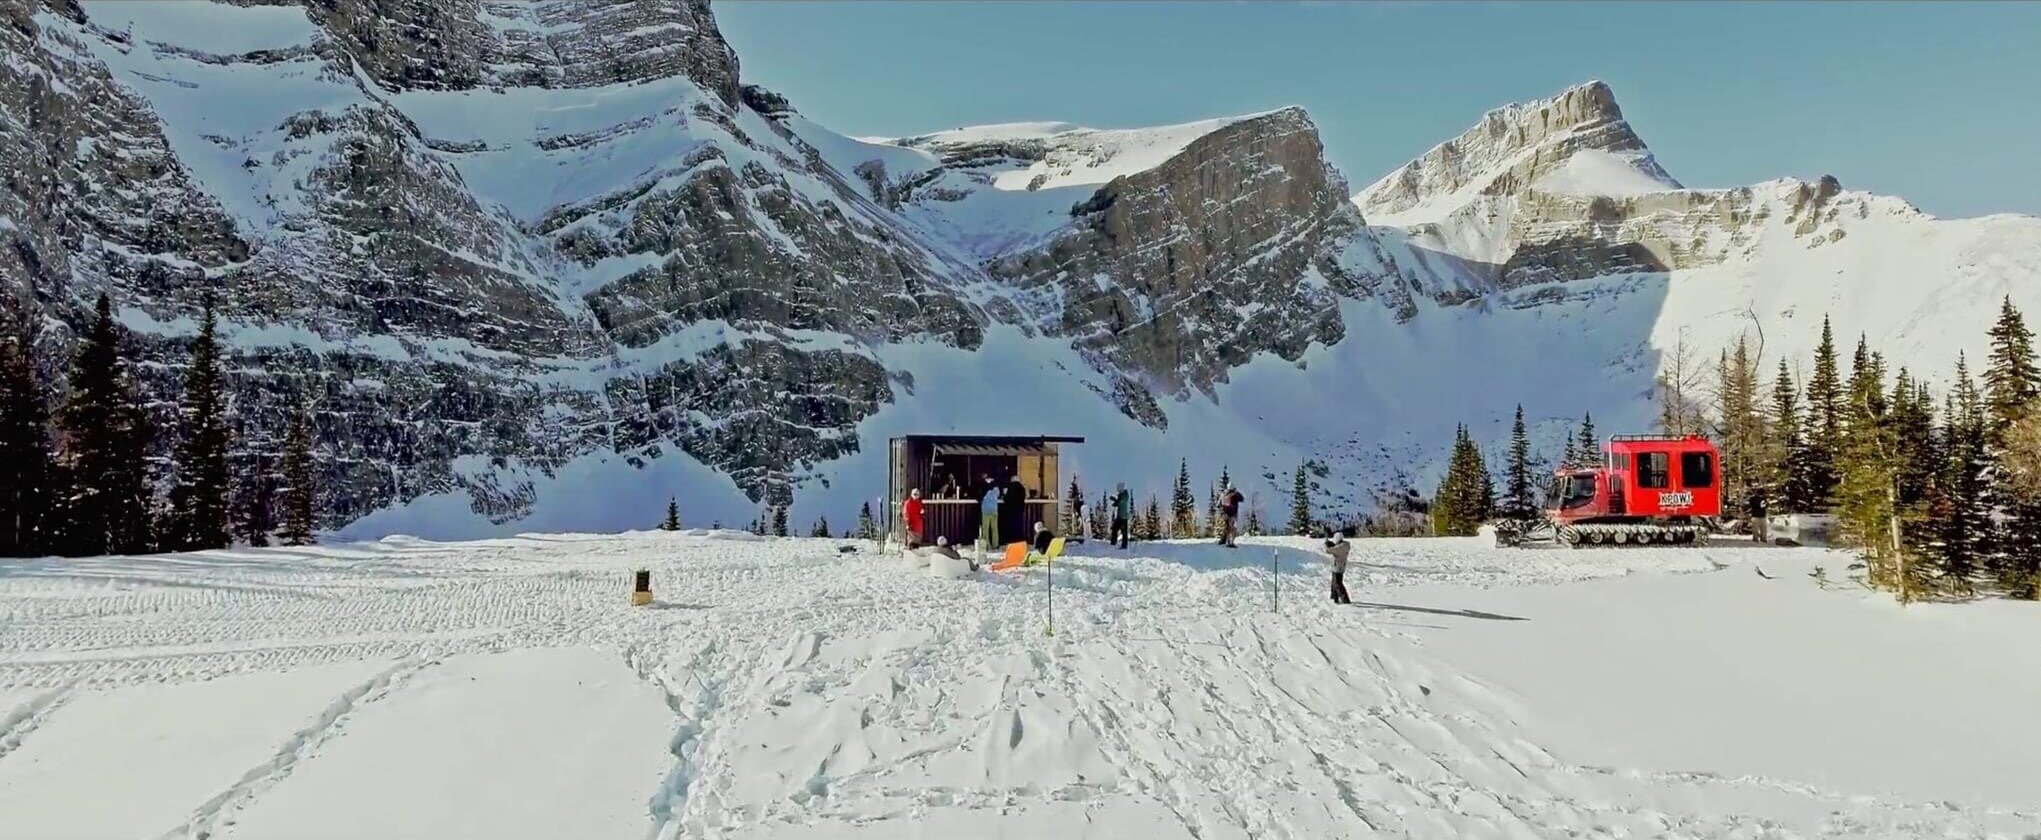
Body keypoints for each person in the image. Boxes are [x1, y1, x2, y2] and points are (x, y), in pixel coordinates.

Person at [1000, 473, 1027, 548]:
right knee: (1019, 525)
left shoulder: (1010, 487)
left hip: (1011, 510)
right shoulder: (1022, 488)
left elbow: (1007, 499)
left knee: (1011, 526)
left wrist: (1004, 495)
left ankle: (1012, 541)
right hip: (1020, 509)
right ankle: (1019, 540)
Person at [1325, 531, 1352, 604]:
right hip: (1337, 566)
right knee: (1334, 583)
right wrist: (1331, 544)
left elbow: (1329, 550)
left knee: (1338, 584)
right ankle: (1334, 598)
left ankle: (1345, 600)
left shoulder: (1341, 547)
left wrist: (1326, 545)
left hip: (1338, 567)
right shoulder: (1344, 545)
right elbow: (1335, 547)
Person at [1218, 483, 1245, 548]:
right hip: (1233, 514)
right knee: (1232, 528)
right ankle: (1230, 543)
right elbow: (1242, 499)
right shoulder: (1235, 494)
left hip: (1224, 513)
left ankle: (1223, 540)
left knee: (1226, 527)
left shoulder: (1222, 494)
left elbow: (1218, 504)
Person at [978, 476, 1000, 550]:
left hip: (986, 510)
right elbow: (998, 495)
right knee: (994, 528)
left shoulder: (983, 488)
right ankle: (995, 544)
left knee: (985, 529)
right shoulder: (996, 489)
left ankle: (987, 544)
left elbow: (980, 497)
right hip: (994, 510)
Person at [1111, 482, 1132, 549]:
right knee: (1115, 529)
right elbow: (1119, 502)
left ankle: (1124, 545)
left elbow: (1121, 501)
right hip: (1120, 516)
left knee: (1124, 532)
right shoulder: (1121, 495)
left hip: (1123, 517)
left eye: (1118, 488)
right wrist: (1115, 502)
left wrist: (1115, 501)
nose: (1117, 489)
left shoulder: (1125, 495)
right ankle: (1113, 543)